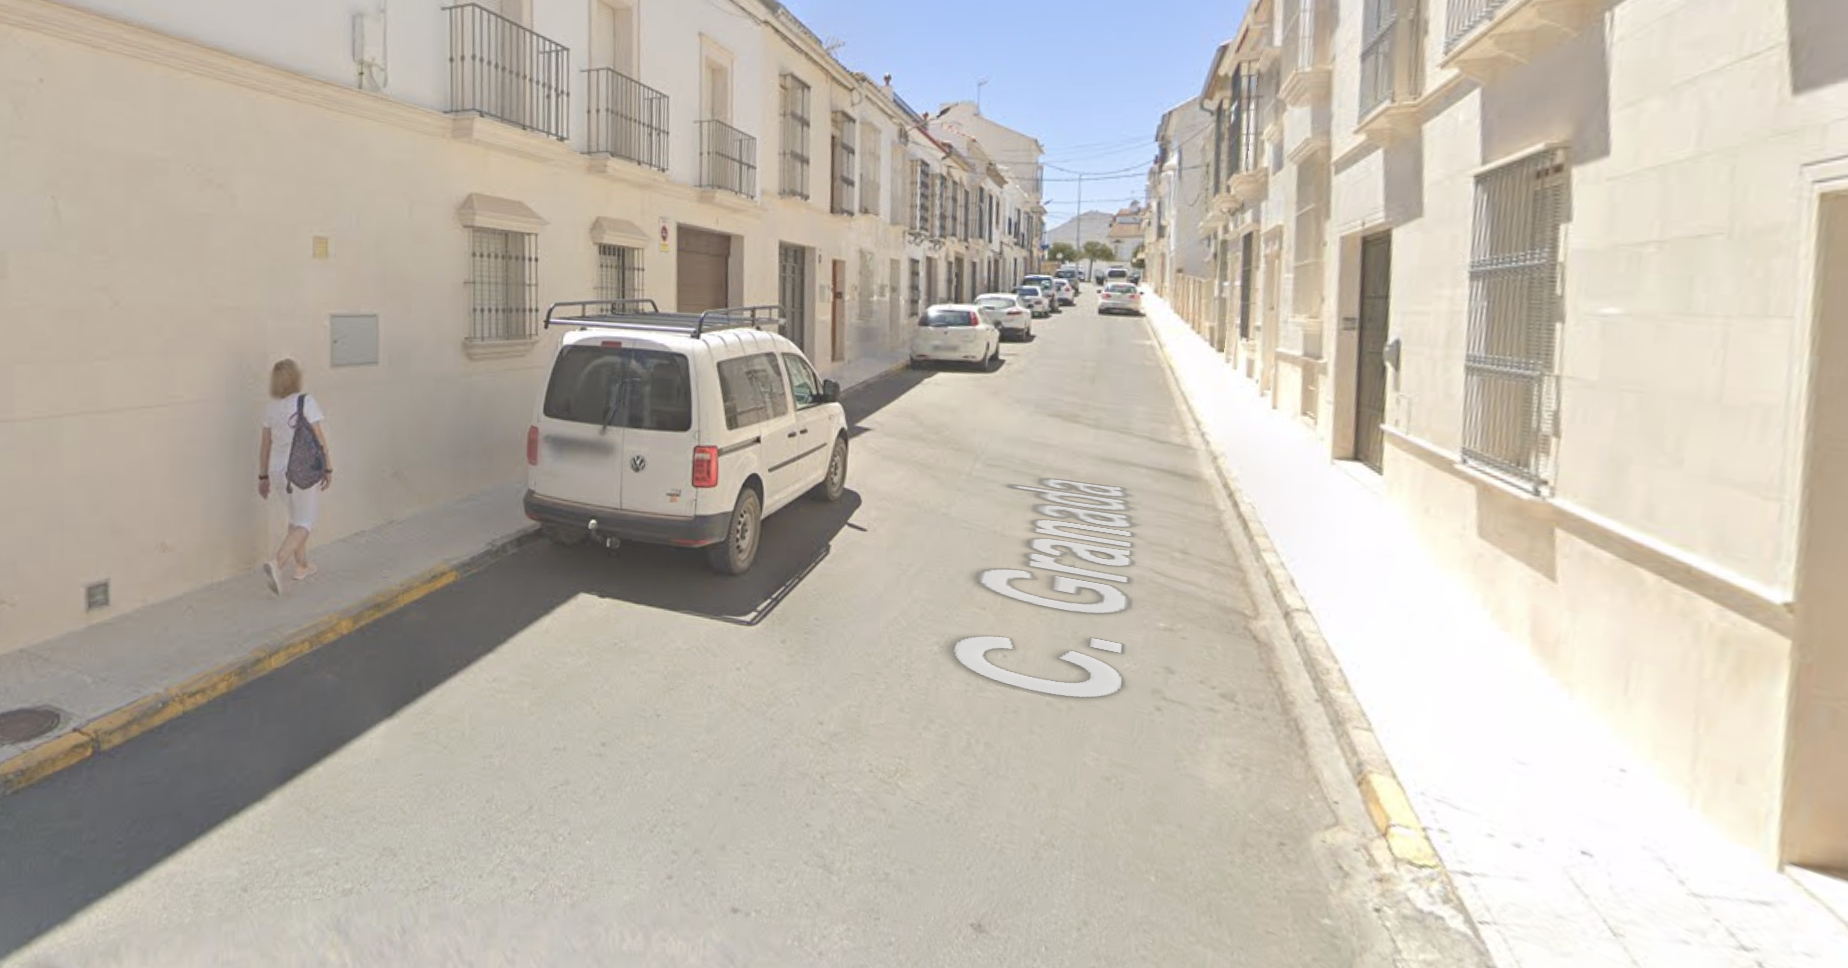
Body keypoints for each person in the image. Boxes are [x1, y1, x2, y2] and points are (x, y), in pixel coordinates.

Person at [257, 359, 332, 595]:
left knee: (296, 517)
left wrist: (263, 476)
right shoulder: (305, 401)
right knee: (305, 522)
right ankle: (277, 563)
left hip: (278, 471)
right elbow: (319, 438)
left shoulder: (271, 408)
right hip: (302, 469)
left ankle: (302, 566)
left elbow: (265, 446)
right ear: (295, 377)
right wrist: (327, 468)